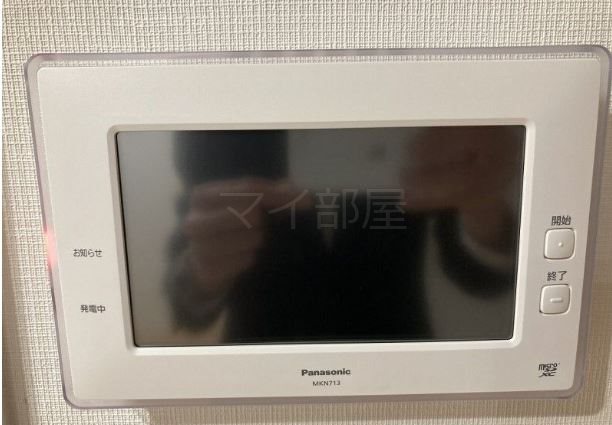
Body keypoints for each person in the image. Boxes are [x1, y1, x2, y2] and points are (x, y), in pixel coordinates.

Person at [165, 126, 524, 344]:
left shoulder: (411, 100)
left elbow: (477, 272)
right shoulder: (217, 119)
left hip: (396, 367)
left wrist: (484, 205)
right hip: (261, 371)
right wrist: (203, 274)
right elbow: (186, 300)